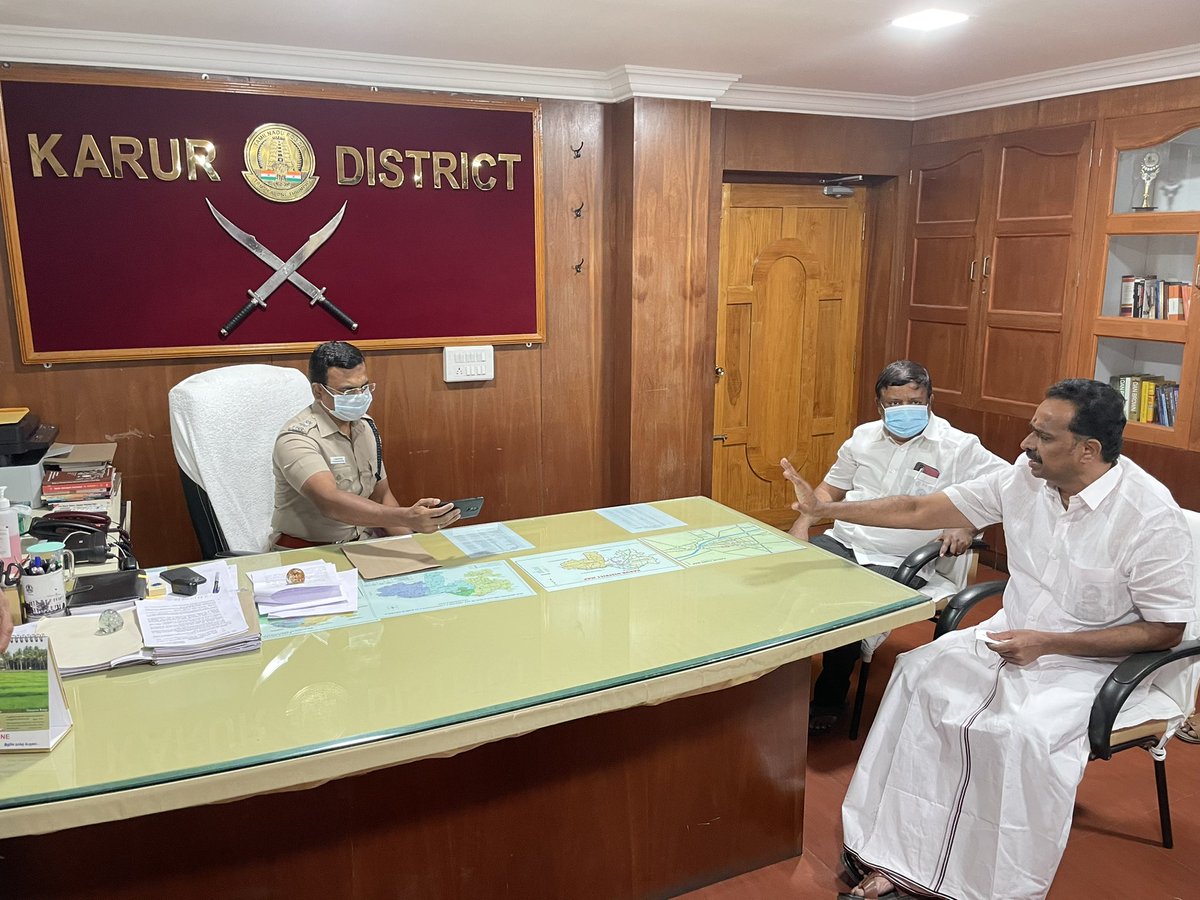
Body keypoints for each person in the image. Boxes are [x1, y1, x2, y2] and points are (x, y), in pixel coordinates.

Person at [781, 378, 1194, 900]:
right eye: (1031, 431)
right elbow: (917, 510)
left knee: (1017, 731)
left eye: (1043, 436)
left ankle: (984, 886)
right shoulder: (1025, 479)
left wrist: (1050, 643)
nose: (1025, 445)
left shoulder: (1149, 516)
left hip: (1093, 663)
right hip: (1011, 636)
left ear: (1088, 450)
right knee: (916, 678)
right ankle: (896, 856)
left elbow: (1164, 629)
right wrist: (824, 512)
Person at [791, 360, 1007, 736]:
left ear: (929, 400)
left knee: (846, 609)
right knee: (786, 586)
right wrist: (803, 521)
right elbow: (829, 491)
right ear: (879, 405)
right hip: (846, 541)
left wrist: (965, 522)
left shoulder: (959, 447)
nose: (903, 410)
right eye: (894, 404)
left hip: (900, 558)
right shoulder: (862, 438)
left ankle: (829, 699)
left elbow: (1007, 488)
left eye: (913, 402)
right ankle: (777, 689)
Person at [271, 341, 461, 549]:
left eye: (364, 387)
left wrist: (412, 544)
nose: (359, 397)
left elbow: (382, 495)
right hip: (305, 551)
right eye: (348, 391)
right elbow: (330, 502)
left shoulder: (365, 427)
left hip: (360, 544)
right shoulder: (296, 438)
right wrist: (406, 517)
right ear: (318, 391)